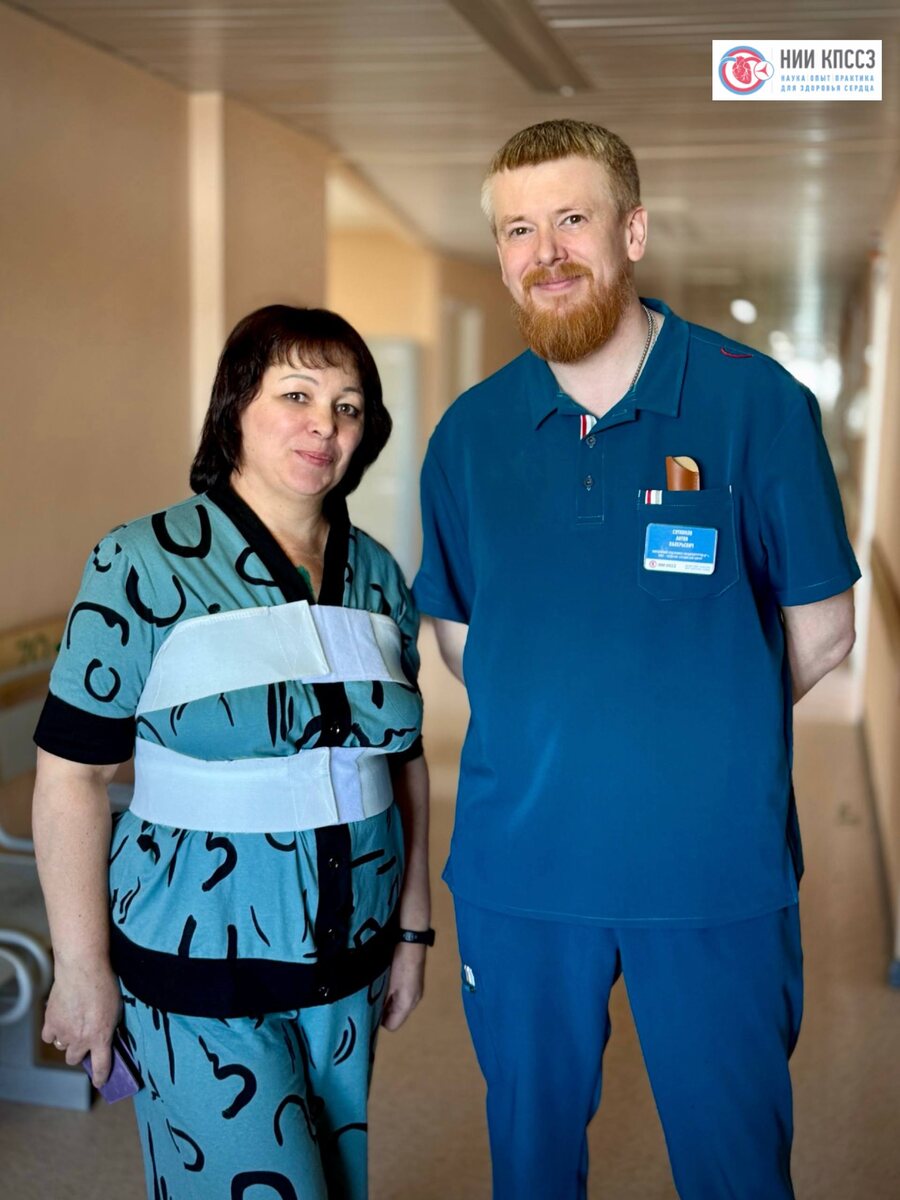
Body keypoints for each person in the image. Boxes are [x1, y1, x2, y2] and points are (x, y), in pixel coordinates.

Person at [413, 119, 858, 1200]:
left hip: (712, 870)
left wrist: (705, 714)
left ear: (634, 231)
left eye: (573, 219)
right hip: (522, 873)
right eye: (519, 229)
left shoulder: (757, 404)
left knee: (736, 1168)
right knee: (529, 1167)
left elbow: (825, 629)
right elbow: (465, 640)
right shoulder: (469, 434)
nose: (546, 251)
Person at [32, 305, 432, 1200]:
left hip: (350, 962)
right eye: (297, 395)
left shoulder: (377, 576)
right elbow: (72, 779)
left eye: (349, 406)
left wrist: (412, 931)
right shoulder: (141, 564)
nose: (325, 425)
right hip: (196, 964)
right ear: (234, 409)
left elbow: (401, 764)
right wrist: (82, 968)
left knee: (335, 1182)